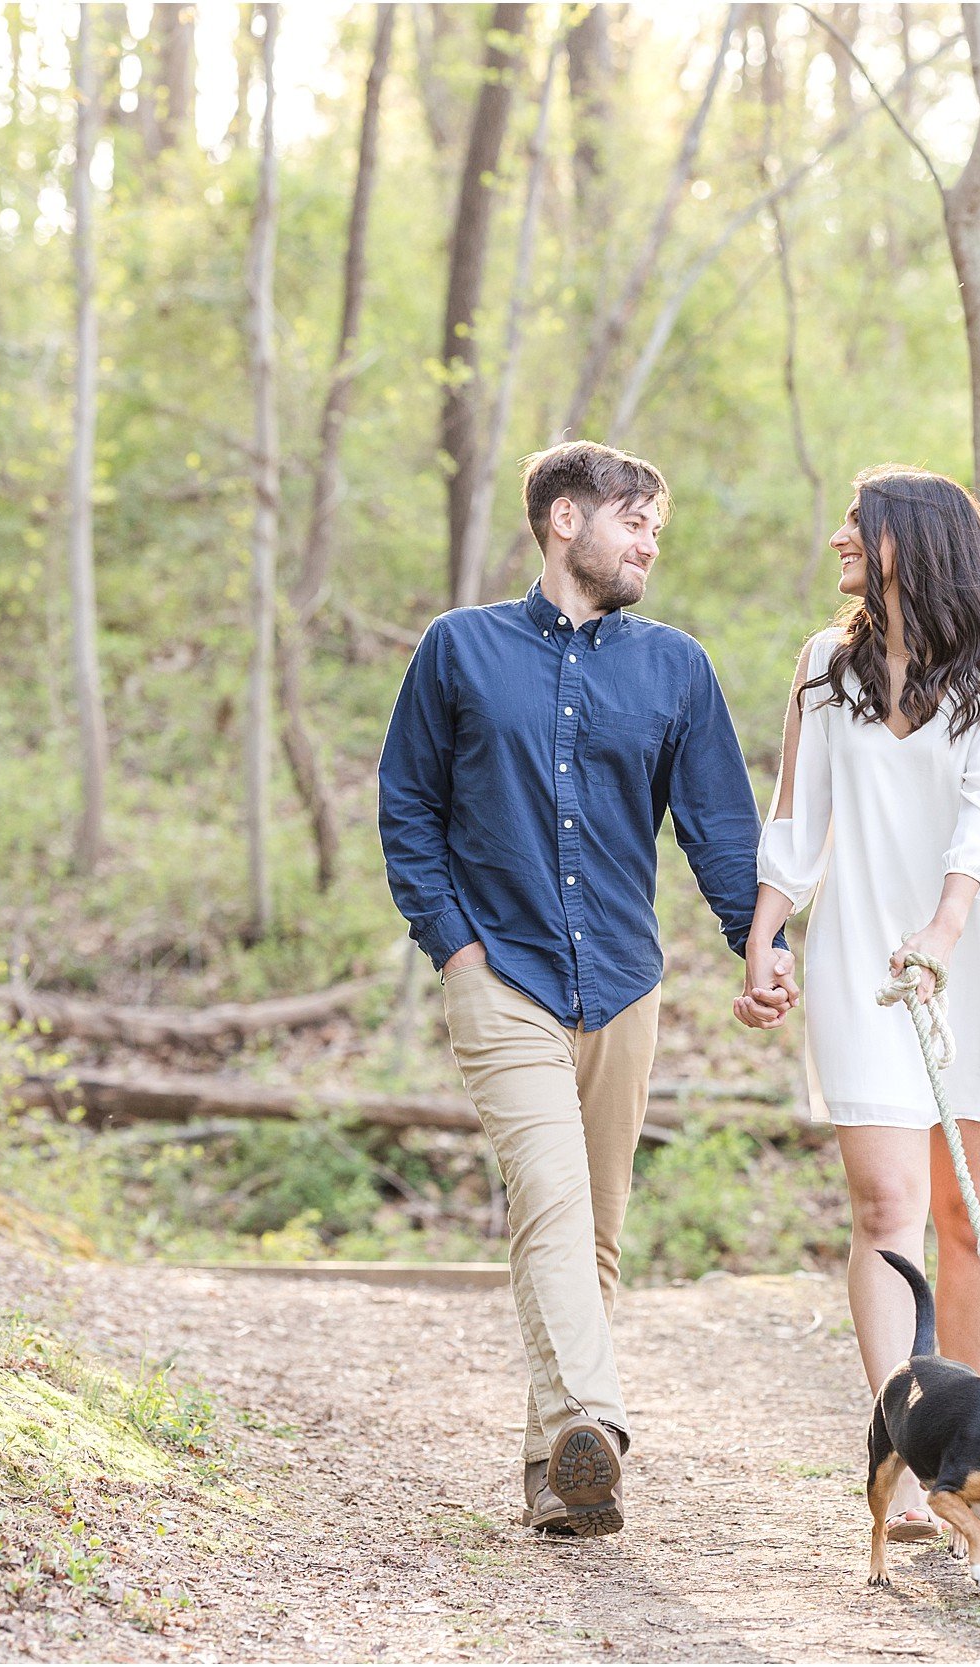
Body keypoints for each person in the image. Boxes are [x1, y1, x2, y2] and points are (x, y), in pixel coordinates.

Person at [379, 440, 786, 1538]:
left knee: (595, 1232)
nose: (650, 540)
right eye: (634, 519)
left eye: (656, 523)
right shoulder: (458, 650)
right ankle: (597, 1424)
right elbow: (408, 811)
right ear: (565, 519)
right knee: (551, 1205)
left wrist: (762, 946)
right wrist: (454, 948)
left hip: (619, 979)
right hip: (499, 972)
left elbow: (719, 826)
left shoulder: (675, 668)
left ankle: (556, 1475)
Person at [734, 464, 980, 1544]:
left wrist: (940, 933)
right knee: (885, 1208)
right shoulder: (823, 667)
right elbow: (798, 822)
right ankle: (901, 1447)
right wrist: (765, 929)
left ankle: (968, 1462)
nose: (839, 534)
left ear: (914, 544)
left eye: (860, 521)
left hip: (977, 961)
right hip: (861, 966)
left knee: (968, 1226)